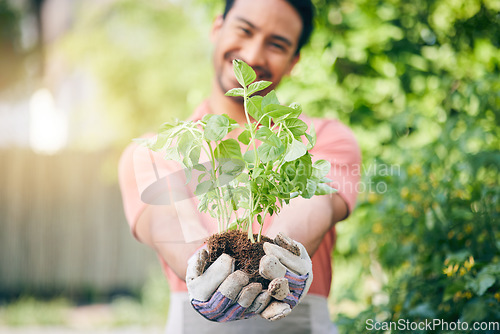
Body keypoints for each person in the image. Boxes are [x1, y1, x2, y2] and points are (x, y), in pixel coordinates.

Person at [118, 0, 361, 333]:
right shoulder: (155, 151)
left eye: (277, 44)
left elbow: (312, 207)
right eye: (244, 30)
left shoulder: (323, 139)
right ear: (217, 27)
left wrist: (276, 262)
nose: (253, 53)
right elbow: (170, 227)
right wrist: (201, 268)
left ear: (294, 62)